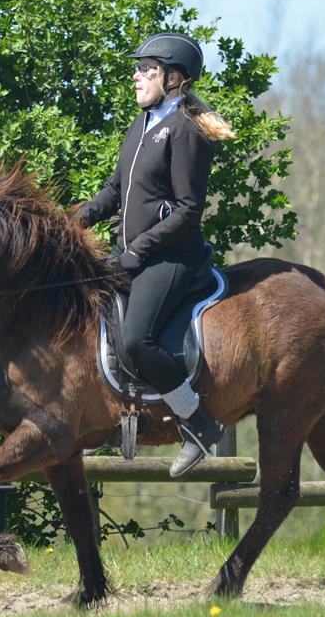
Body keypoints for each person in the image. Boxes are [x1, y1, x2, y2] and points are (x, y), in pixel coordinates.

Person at [74, 32, 235, 477]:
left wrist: (138, 250)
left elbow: (188, 211)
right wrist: (73, 221)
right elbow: (114, 191)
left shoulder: (185, 132)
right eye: (138, 68)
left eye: (146, 69)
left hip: (171, 258)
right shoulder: (142, 124)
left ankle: (198, 422)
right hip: (136, 256)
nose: (136, 76)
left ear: (174, 78)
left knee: (136, 339)